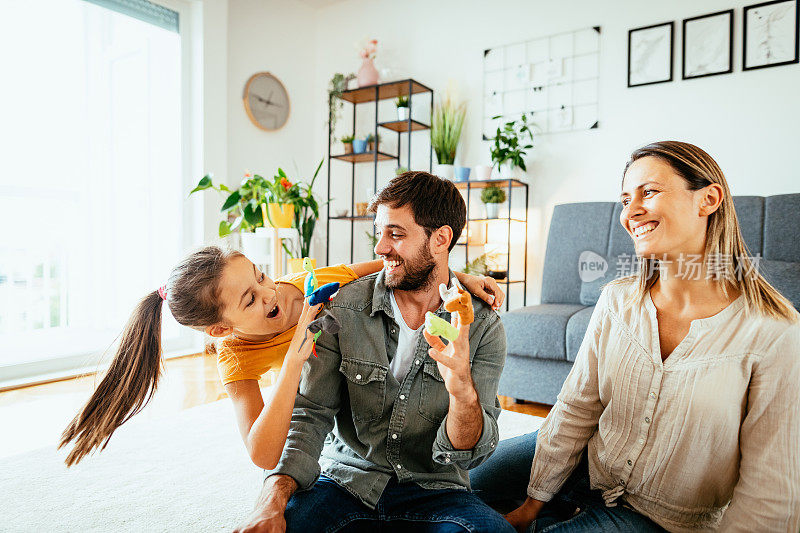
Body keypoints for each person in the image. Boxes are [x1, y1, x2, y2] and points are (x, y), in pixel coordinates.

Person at [471, 141, 800, 532]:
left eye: (650, 192)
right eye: (626, 199)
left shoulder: (776, 332)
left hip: (660, 518)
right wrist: (532, 503)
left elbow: (770, 492)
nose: (631, 212)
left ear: (708, 199)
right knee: (464, 483)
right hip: (591, 465)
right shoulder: (617, 299)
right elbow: (577, 407)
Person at [234, 171, 514, 533]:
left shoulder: (483, 327)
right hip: (345, 483)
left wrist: (462, 390)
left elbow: (470, 451)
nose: (380, 248)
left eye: (395, 234)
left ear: (441, 239)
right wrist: (271, 500)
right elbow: (310, 415)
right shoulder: (340, 310)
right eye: (379, 233)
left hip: (436, 492)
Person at [59, 243, 504, 468]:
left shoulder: (317, 284)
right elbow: (263, 454)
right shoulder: (235, 359)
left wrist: (461, 277)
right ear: (221, 330)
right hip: (323, 407)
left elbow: (396, 270)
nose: (270, 293)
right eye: (249, 300)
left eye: (261, 276)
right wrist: (293, 360)